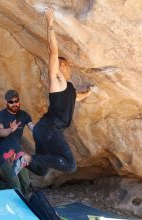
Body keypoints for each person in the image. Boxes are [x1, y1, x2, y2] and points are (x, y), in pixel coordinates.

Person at [12, 8, 93, 176]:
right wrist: (50, 23)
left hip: (44, 130)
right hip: (49, 128)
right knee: (70, 165)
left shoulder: (68, 89)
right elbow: (53, 52)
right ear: (61, 66)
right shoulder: (57, 81)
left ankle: (21, 157)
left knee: (41, 171)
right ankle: (26, 158)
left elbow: (76, 98)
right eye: (67, 65)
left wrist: (89, 93)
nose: (70, 68)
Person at [0, 89, 34, 198]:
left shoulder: (24, 115)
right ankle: (19, 209)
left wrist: (43, 132)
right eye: (11, 102)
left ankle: (29, 207)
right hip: (4, 154)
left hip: (18, 152)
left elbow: (33, 128)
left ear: (19, 100)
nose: (14, 104)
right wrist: (9, 130)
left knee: (26, 182)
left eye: (16, 101)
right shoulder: (0, 115)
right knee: (15, 185)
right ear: (6, 102)